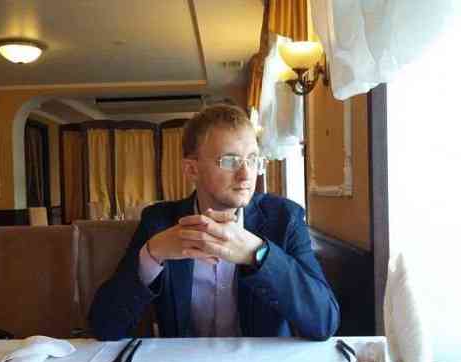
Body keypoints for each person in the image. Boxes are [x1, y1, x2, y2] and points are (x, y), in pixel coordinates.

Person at [89, 104, 339, 340]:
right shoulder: (160, 222)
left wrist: (258, 254)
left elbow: (324, 320)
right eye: (230, 161)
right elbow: (104, 327)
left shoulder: (284, 218)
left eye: (252, 159)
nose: (246, 175)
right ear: (192, 170)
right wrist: (151, 255)